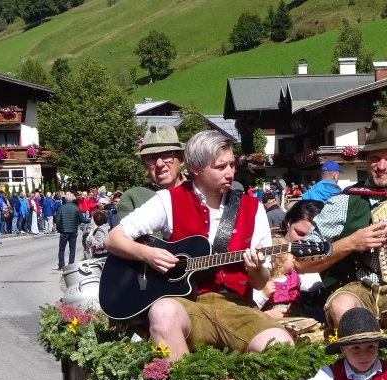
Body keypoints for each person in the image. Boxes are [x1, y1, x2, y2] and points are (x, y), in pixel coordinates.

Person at [106, 130, 293, 356]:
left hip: (237, 307)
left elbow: (260, 282)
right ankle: (181, 378)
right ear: (195, 168)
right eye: (220, 167)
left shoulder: (253, 209)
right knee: (162, 312)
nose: (230, 173)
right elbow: (113, 239)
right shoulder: (168, 200)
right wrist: (148, 254)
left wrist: (255, 269)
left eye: (232, 165)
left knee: (280, 344)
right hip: (188, 304)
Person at [302, 116, 387, 338]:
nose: (381, 166)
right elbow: (301, 262)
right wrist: (351, 243)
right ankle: (358, 359)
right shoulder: (343, 202)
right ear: (365, 160)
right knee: (342, 306)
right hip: (356, 288)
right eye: (375, 158)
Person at [117, 124, 187, 224]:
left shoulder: (199, 192)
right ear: (145, 164)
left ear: (181, 159)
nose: (159, 164)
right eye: (151, 158)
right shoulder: (134, 198)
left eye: (166, 155)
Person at [53, 192, 82, 270]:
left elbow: (57, 220)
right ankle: (71, 265)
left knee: (62, 249)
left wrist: (59, 228)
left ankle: (61, 265)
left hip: (64, 231)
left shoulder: (61, 208)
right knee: (72, 249)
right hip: (73, 231)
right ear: (72, 199)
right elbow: (82, 219)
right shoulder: (76, 208)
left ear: (65, 199)